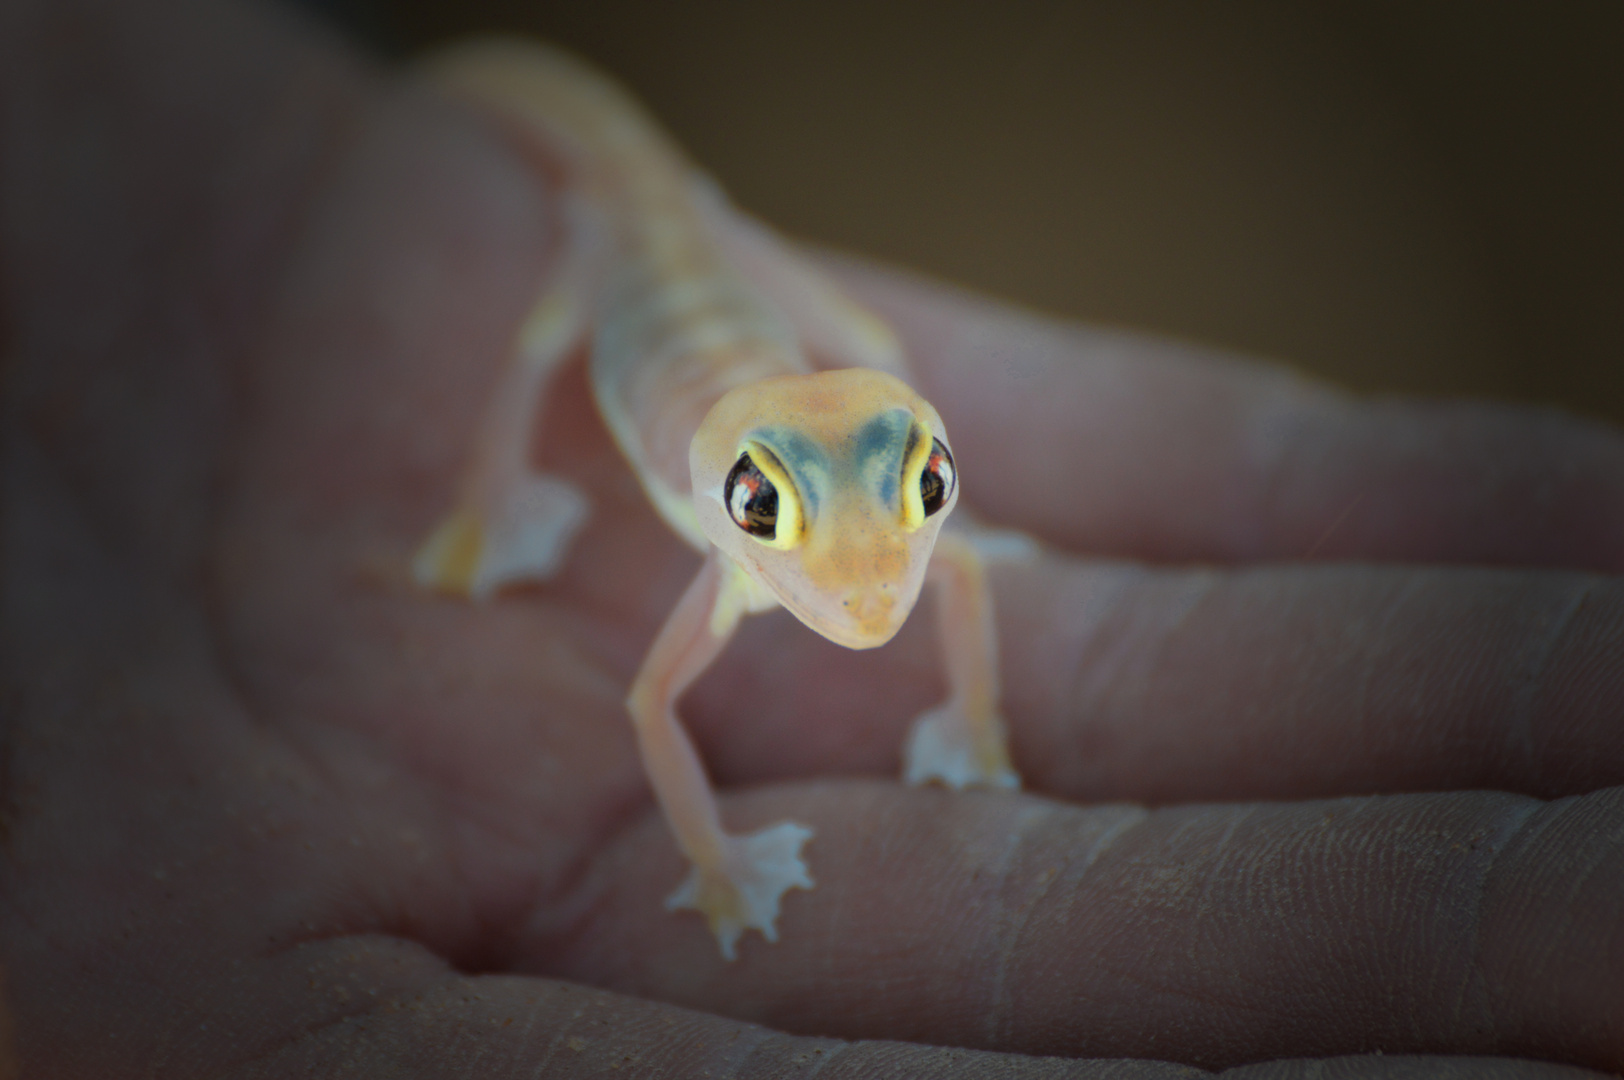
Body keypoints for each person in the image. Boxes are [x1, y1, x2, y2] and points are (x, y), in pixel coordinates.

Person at [3, 0, 1620, 1075]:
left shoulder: (884, 532)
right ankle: (505, 488)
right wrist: (713, 865)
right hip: (639, 249)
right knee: (537, 342)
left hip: (712, 253)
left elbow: (946, 574)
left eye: (919, 494)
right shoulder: (709, 526)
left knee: (881, 439)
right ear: (729, 506)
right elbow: (650, 711)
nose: (871, 585)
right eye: (773, 523)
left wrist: (966, 709)